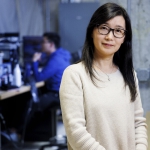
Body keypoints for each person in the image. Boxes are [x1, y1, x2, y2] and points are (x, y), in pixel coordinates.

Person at [59, 3, 148, 150]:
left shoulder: (129, 74)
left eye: (118, 31)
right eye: (104, 28)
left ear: (124, 38)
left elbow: (138, 123)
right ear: (92, 31)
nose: (109, 36)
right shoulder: (75, 74)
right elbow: (76, 133)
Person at [32, 32, 71, 111]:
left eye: (43, 42)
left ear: (51, 44)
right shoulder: (61, 54)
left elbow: (38, 78)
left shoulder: (55, 59)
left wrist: (34, 62)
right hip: (65, 93)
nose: (41, 44)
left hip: (57, 94)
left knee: (33, 105)